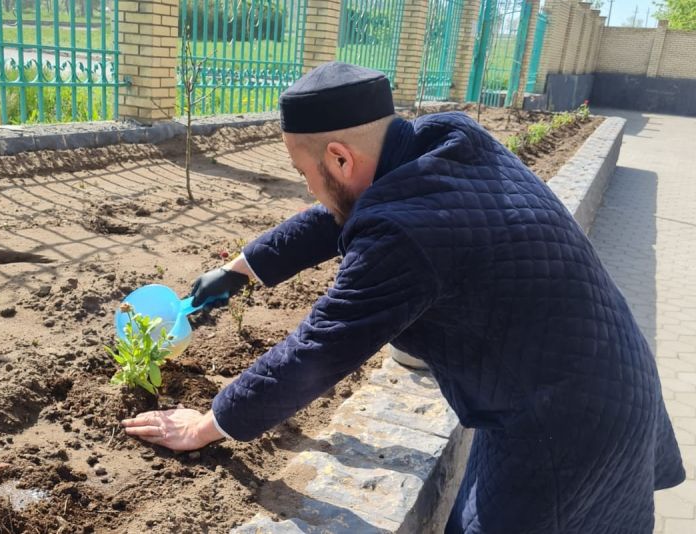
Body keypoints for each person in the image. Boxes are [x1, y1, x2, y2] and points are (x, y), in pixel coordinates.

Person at [121, 62, 685, 532]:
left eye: (304, 172)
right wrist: (243, 268)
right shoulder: (449, 138)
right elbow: (345, 208)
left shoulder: (403, 237)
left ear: (340, 158)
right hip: (605, 371)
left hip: (564, 433)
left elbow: (317, 350)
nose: (307, 186)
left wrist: (209, 423)